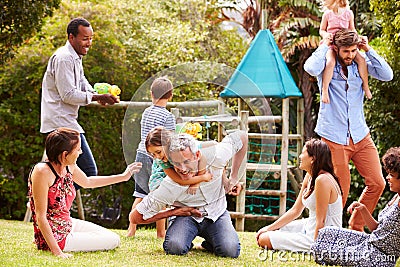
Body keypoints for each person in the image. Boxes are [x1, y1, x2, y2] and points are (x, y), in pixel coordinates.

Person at [304, 28, 393, 231]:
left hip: (360, 135)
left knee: (378, 182)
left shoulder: (358, 66)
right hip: (333, 137)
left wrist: (367, 49)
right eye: (346, 51)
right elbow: (310, 67)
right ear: (337, 48)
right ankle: (330, 233)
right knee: (339, 191)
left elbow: (387, 75)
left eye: (353, 51)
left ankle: (356, 225)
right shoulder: (327, 65)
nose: (350, 55)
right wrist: (324, 45)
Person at [129, 130, 248, 258]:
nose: (183, 169)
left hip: (216, 213)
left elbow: (242, 137)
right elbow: (134, 217)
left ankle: (211, 243)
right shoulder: (170, 183)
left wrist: (233, 178)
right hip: (185, 217)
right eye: (176, 164)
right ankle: (185, 238)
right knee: (175, 247)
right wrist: (175, 212)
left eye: (186, 162)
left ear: (197, 155)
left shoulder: (216, 156)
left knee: (230, 251)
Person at [28, 127, 142, 258]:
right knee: (112, 241)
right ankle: (46, 241)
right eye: (77, 150)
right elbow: (40, 216)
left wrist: (123, 176)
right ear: (65, 154)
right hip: (57, 237)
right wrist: (58, 252)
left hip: (67, 223)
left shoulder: (69, 166)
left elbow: (88, 182)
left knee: (112, 237)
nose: (81, 152)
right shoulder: (42, 172)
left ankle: (66, 239)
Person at [40, 17, 118, 183]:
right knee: (88, 172)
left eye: (91, 39)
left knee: (62, 173)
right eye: (84, 39)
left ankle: (49, 202)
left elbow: (82, 83)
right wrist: (97, 97)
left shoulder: (75, 57)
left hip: (66, 122)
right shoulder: (64, 58)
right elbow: (68, 94)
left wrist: (98, 95)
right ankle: (49, 200)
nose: (88, 43)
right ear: (71, 37)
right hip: (60, 124)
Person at [312, 147, 400, 266]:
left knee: (323, 250)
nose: (387, 177)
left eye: (391, 175)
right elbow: (378, 229)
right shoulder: (396, 197)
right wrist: (363, 209)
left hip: (378, 257)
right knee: (326, 232)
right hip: (369, 242)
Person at [256, 139, 342, 252]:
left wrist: (317, 249)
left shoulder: (323, 180)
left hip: (323, 237)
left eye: (303, 153)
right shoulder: (310, 176)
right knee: (269, 231)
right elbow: (295, 211)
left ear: (313, 158)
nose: (300, 156)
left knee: (264, 239)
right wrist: (269, 227)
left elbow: (321, 220)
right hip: (308, 226)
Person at [127, 76, 176, 238]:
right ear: (170, 95)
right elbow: (170, 141)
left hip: (141, 154)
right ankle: (161, 233)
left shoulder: (146, 112)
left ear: (151, 94)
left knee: (140, 194)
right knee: (160, 194)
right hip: (157, 159)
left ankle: (131, 230)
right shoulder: (168, 117)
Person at [319, 0, 371, 103]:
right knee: (330, 62)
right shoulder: (328, 14)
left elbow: (352, 29)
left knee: (361, 60)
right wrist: (326, 36)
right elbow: (322, 30)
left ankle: (365, 85)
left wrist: (358, 38)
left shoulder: (348, 13)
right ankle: (325, 90)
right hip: (332, 44)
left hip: (346, 44)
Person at [145, 126, 212, 194]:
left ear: (168, 143)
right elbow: (179, 180)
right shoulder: (161, 161)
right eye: (153, 154)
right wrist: (202, 178)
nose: (157, 157)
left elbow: (202, 157)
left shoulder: (183, 146)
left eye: (158, 152)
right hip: (159, 179)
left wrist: (198, 179)